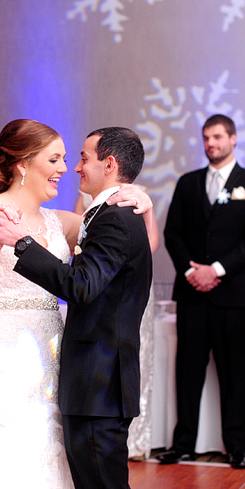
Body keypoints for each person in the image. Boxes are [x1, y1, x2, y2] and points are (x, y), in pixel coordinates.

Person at [0, 119, 151, 489]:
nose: (66, 168)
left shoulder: (58, 222)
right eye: (56, 159)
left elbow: (123, 235)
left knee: (47, 453)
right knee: (2, 452)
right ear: (24, 163)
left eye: (70, 158)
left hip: (49, 356)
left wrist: (141, 199)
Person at [0, 126, 154, 489]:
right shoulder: (109, 215)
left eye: (83, 157)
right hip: (98, 383)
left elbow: (81, 286)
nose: (76, 168)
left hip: (99, 384)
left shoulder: (115, 219)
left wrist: (22, 243)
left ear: (109, 164)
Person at [159, 113, 245, 468]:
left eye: (218, 137)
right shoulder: (188, 183)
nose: (211, 144)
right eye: (206, 138)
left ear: (234, 139)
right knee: (187, 371)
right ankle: (183, 444)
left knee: (234, 372)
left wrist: (217, 270)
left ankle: (235, 447)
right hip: (192, 293)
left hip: (232, 294)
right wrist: (192, 271)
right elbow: (172, 233)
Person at [73, 189, 159, 462]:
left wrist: (149, 211)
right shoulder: (87, 196)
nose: (76, 167)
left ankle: (134, 438)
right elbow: (76, 229)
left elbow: (150, 242)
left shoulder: (136, 198)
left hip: (123, 281)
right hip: (93, 275)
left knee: (126, 356)